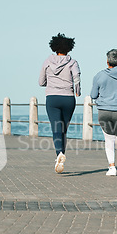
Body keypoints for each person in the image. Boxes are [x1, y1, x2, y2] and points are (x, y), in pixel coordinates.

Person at [39, 33, 81, 173]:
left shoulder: (47, 61)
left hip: (52, 98)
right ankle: (60, 155)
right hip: (68, 98)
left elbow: (41, 82)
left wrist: (49, 83)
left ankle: (59, 154)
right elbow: (76, 77)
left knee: (56, 128)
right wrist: (78, 91)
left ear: (54, 47)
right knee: (64, 129)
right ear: (69, 48)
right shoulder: (73, 62)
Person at [90, 49, 117, 176]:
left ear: (107, 60)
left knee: (109, 141)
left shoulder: (99, 75)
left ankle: (112, 168)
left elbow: (93, 94)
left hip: (104, 110)